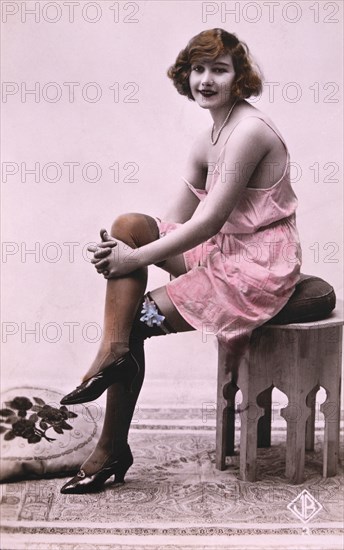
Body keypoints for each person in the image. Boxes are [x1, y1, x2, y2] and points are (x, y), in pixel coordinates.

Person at [59, 28, 301, 494]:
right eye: (198, 69)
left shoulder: (248, 132)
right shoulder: (208, 136)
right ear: (186, 75)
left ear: (239, 78)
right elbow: (172, 222)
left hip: (258, 266)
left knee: (133, 321)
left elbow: (207, 223)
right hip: (222, 253)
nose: (205, 80)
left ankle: (111, 445)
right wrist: (124, 251)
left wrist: (134, 261)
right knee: (130, 222)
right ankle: (111, 352)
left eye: (219, 70)